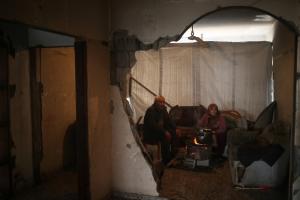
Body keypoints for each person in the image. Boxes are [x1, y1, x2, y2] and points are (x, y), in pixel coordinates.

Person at [143, 95, 175, 165]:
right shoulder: (151, 110)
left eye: (163, 102)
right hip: (151, 133)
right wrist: (165, 132)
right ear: (155, 102)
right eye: (160, 102)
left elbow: (168, 120)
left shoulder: (163, 109)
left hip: (160, 131)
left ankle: (172, 156)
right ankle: (166, 160)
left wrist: (174, 129)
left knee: (173, 133)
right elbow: (153, 125)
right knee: (165, 138)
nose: (162, 104)